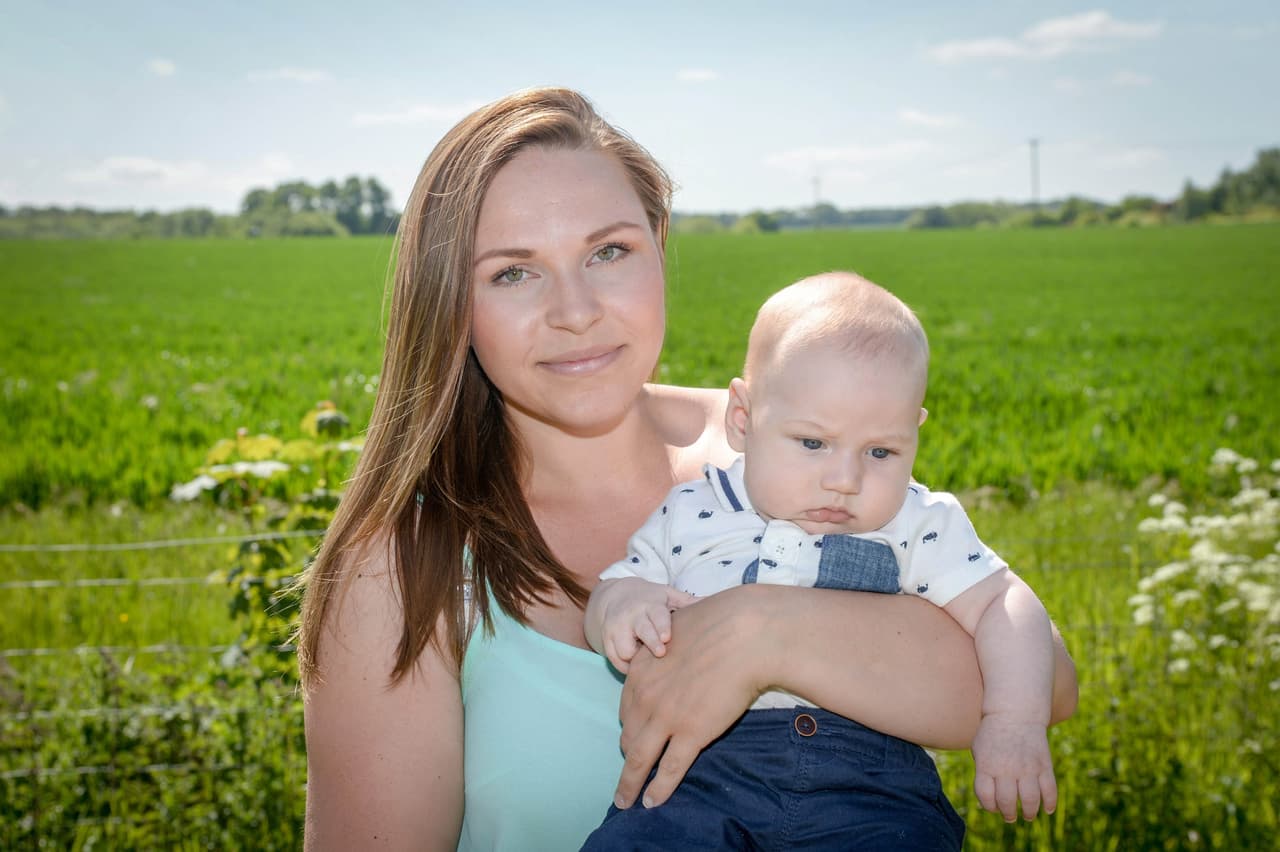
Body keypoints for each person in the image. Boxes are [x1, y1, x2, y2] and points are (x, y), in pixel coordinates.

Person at [296, 87, 1078, 852]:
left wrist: (763, 632)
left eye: (609, 251)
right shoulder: (405, 563)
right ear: (449, 305)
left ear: (658, 243)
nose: (576, 310)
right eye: (513, 272)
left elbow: (1045, 682)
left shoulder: (796, 443)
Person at [583, 272, 1056, 848]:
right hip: (696, 784)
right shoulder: (694, 509)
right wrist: (623, 604)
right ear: (743, 420)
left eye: (881, 451)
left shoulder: (916, 520)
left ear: (916, 433)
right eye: (813, 443)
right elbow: (616, 586)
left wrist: (1014, 720)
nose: (845, 480)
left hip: (872, 791)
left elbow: (1005, 602)